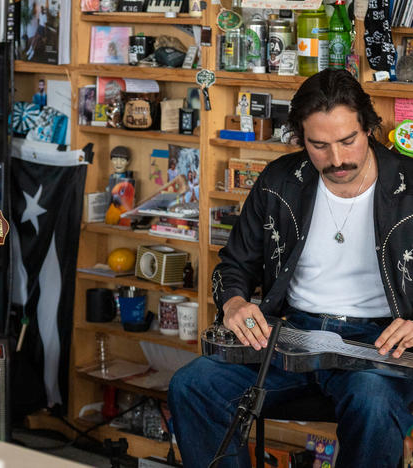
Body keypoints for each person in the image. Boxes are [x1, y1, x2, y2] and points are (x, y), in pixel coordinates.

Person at [168, 68, 413, 467]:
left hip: (379, 342)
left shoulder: (409, 184)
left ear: (369, 128)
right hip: (289, 335)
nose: (336, 159)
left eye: (347, 141)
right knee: (193, 385)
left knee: (372, 402)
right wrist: (233, 304)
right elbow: (234, 264)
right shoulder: (281, 180)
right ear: (300, 138)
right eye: (318, 145)